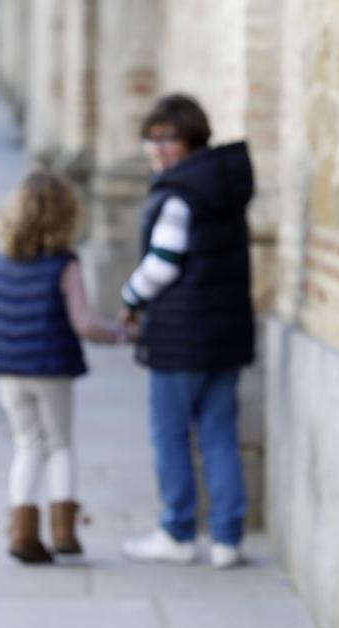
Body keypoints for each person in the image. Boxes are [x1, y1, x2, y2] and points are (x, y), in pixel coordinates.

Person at [118, 94, 255, 570]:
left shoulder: (180, 192)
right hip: (224, 333)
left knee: (171, 435)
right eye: (150, 139)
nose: (156, 149)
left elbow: (164, 262)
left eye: (166, 138)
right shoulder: (220, 183)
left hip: (181, 337)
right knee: (218, 433)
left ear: (191, 138)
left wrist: (129, 297)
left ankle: (177, 531)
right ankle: (226, 540)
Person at [0, 171, 132, 564]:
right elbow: (83, 322)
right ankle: (65, 530)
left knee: (27, 444)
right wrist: (118, 334)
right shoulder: (64, 264)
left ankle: (22, 531)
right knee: (60, 444)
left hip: (9, 367)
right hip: (50, 367)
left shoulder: (3, 261)